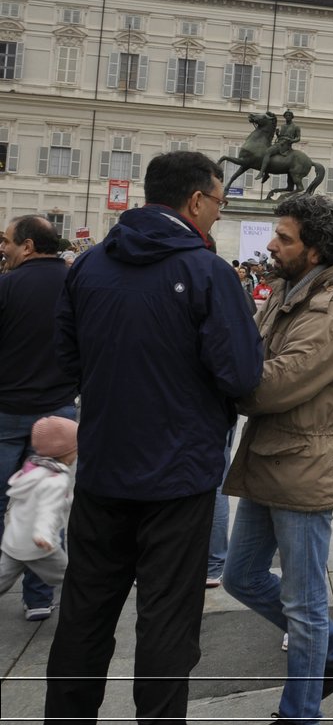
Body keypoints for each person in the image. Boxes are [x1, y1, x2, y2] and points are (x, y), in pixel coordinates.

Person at [46, 151, 263, 724]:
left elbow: (66, 360)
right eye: (219, 202)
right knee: (167, 621)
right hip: (180, 474)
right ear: (196, 201)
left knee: (84, 616)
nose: (219, 214)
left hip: (103, 469)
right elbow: (241, 377)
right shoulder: (207, 271)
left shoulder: (89, 266)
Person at [223, 194, 333, 721]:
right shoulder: (288, 291)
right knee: (241, 577)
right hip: (270, 455)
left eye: (284, 237)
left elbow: (269, 385)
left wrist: (222, 379)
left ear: (314, 250)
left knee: (304, 604)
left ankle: (299, 712)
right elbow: (253, 354)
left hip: (306, 464)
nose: (272, 244)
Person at [0, 215, 77, 620]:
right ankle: (39, 596)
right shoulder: (75, 283)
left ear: (28, 246)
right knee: (50, 504)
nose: (3, 248)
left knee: (3, 502)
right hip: (60, 410)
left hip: (7, 410)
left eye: (8, 242)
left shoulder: (6, 285)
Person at [0, 416, 76, 599]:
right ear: (65, 452)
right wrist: (43, 535)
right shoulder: (55, 481)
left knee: (2, 579)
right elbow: (47, 512)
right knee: (71, 578)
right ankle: (84, 606)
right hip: (39, 548)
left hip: (14, 542)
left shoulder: (31, 470)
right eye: (75, 448)